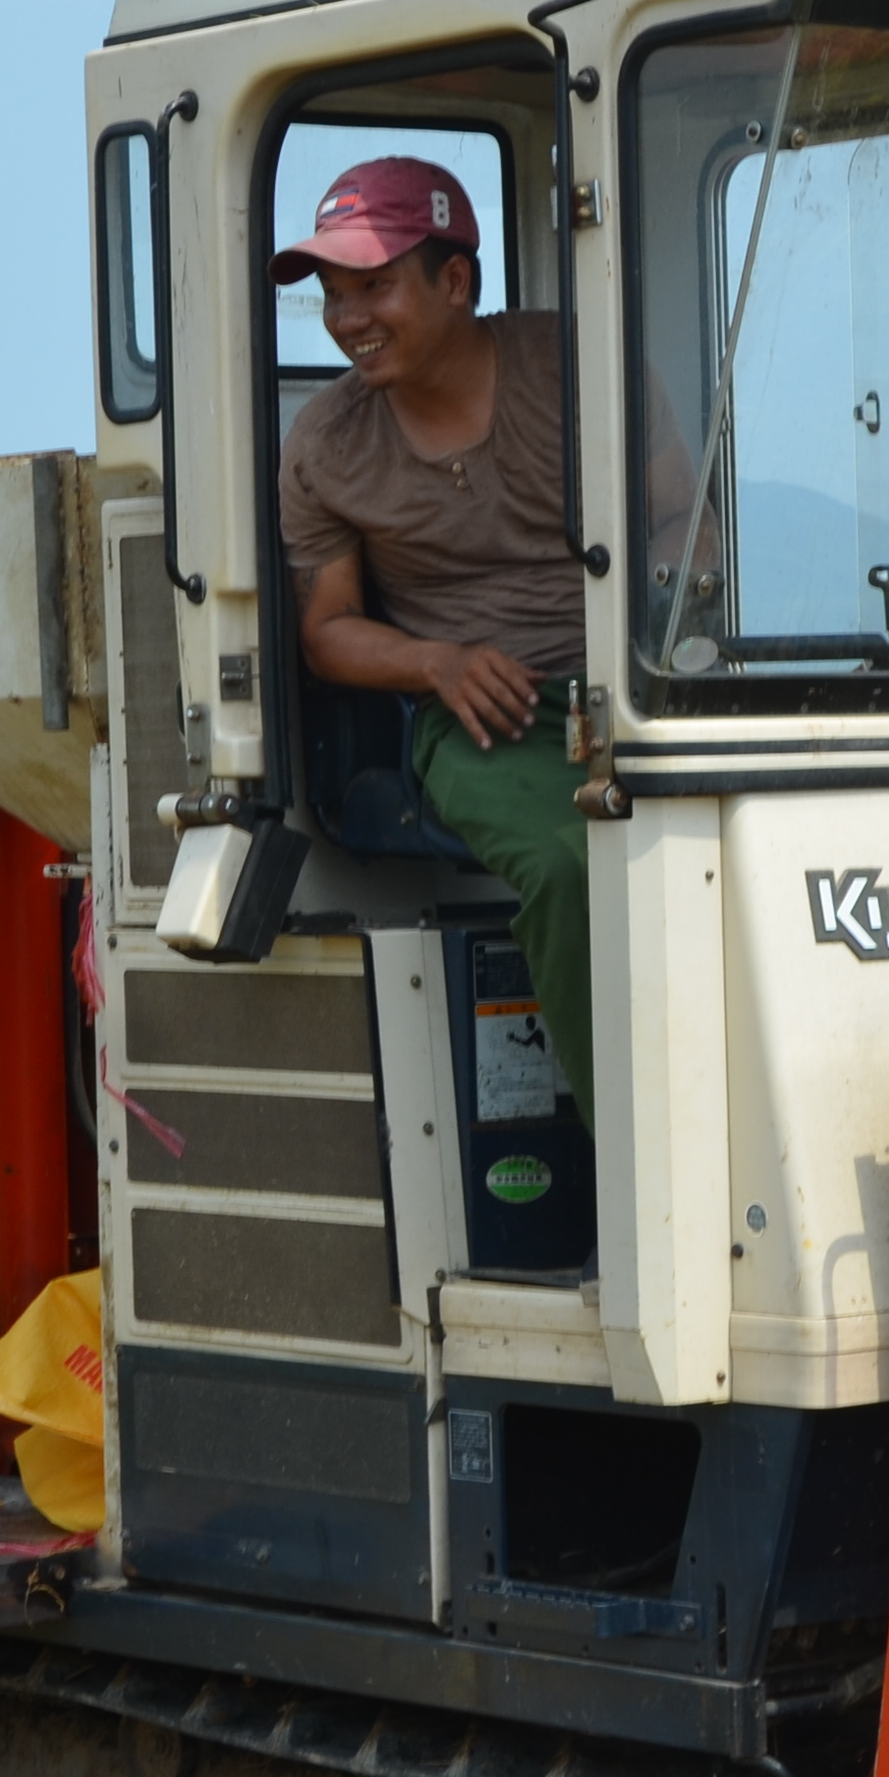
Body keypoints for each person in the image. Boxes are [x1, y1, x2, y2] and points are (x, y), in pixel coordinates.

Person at [275, 158, 596, 1107]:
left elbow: (687, 524)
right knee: (571, 862)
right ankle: (623, 1157)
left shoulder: (571, 367)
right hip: (484, 728)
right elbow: (326, 630)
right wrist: (437, 663)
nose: (347, 319)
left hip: (631, 695)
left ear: (454, 281)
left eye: (373, 286)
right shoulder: (328, 447)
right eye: (333, 295)